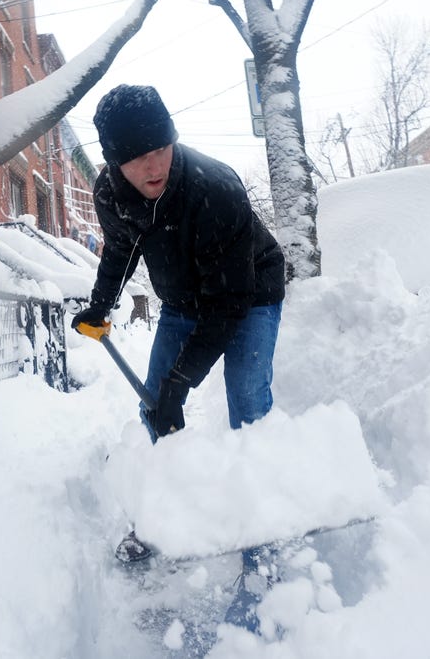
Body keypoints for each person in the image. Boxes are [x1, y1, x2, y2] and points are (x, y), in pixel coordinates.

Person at [71, 85, 286, 567]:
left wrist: (182, 380)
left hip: (248, 293)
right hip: (182, 298)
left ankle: (264, 528)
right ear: (113, 161)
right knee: (156, 403)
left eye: (162, 148)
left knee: (247, 397)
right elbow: (121, 247)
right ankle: (165, 512)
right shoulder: (109, 193)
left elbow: (227, 307)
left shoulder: (215, 187)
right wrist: (100, 306)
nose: (155, 166)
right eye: (139, 157)